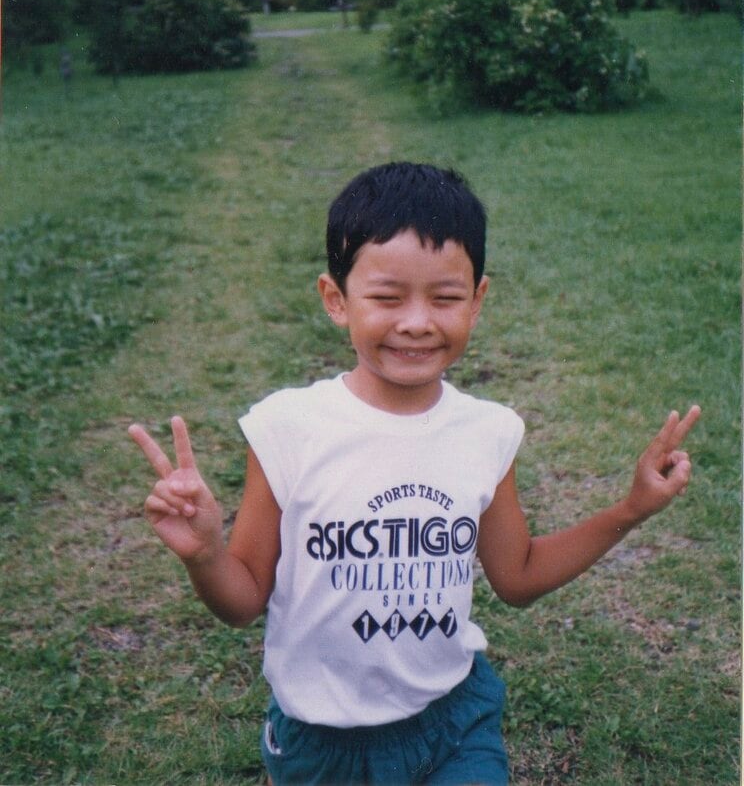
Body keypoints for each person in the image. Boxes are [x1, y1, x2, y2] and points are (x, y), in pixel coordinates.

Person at [128, 161, 699, 785]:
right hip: (323, 747)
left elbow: (519, 575)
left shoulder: (488, 431)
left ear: (477, 301)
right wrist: (206, 554)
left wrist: (629, 511)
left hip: (453, 723)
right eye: (387, 297)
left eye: (446, 298)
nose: (418, 321)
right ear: (336, 300)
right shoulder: (287, 428)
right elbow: (242, 603)